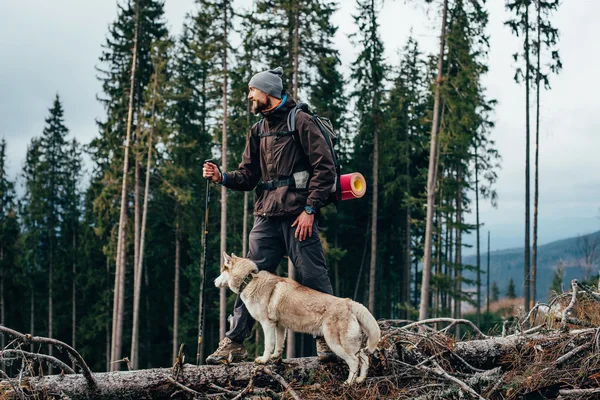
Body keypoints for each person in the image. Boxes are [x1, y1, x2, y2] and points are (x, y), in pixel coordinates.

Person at [203, 66, 336, 364]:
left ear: (268, 92)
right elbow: (249, 176)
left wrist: (310, 209)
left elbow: (324, 168)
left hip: (298, 216)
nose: (249, 94)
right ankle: (234, 342)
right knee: (247, 279)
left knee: (313, 276)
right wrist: (222, 176)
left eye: (253, 90)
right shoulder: (258, 130)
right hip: (266, 216)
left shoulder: (299, 121)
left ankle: (326, 339)